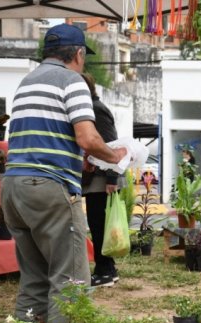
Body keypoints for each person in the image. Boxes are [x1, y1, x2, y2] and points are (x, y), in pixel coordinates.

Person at [0, 23, 127, 323]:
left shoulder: (28, 82)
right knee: (70, 281)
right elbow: (87, 137)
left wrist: (81, 160)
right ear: (79, 54)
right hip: (50, 187)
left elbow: (45, 138)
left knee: (34, 279)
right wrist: (114, 155)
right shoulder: (72, 81)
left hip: (14, 187)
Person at [81, 73, 123, 288]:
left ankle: (104, 270)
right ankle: (108, 269)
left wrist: (112, 178)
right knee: (99, 226)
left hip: (102, 180)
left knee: (99, 226)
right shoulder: (90, 110)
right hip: (97, 179)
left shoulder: (96, 109)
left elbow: (112, 144)